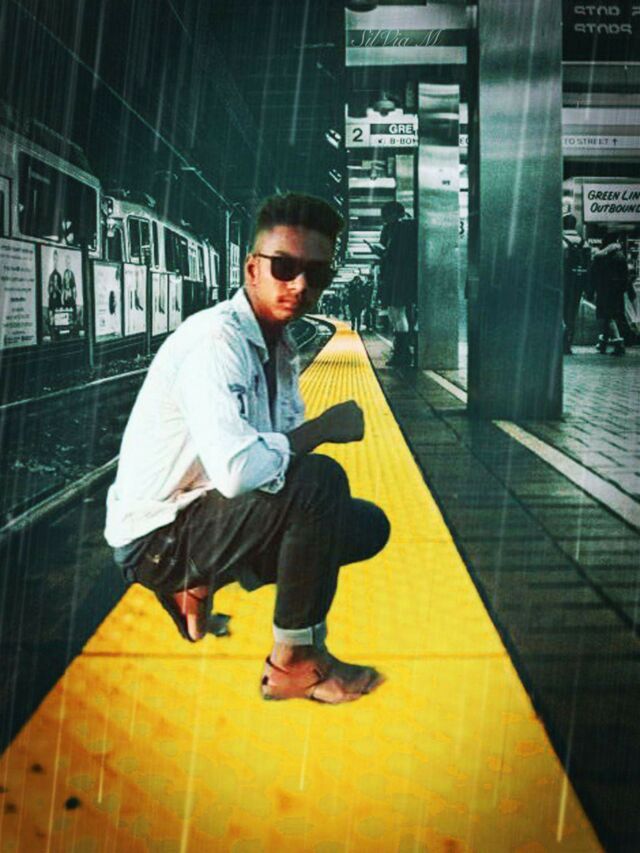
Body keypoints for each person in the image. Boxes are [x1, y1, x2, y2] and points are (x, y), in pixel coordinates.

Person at [105, 193, 390, 704]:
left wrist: (296, 450)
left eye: (316, 274)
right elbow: (239, 472)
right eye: (284, 267)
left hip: (198, 514)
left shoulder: (278, 346)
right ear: (252, 269)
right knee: (320, 482)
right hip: (155, 540)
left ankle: (197, 580)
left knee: (365, 525)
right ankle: (294, 664)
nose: (299, 285)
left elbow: (272, 465)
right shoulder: (217, 342)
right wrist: (323, 428)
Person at [371, 201, 417, 367]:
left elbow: (399, 253)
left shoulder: (405, 227)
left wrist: (383, 253)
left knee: (398, 311)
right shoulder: (391, 229)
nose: (384, 219)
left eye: (386, 215)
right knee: (393, 311)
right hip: (393, 274)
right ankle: (401, 351)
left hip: (401, 275)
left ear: (395, 214)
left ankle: (403, 353)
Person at [590, 233, 633, 357]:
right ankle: (603, 343)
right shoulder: (620, 255)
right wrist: (625, 290)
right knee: (610, 316)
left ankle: (618, 344)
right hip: (617, 292)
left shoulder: (600, 257)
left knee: (608, 317)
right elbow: (626, 276)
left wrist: (591, 290)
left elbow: (594, 275)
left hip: (604, 291)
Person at [562, 214, 589, 355]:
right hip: (578, 283)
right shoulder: (584, 243)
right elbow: (588, 266)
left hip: (563, 283)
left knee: (561, 312)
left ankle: (561, 342)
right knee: (572, 313)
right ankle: (568, 343)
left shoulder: (561, 242)